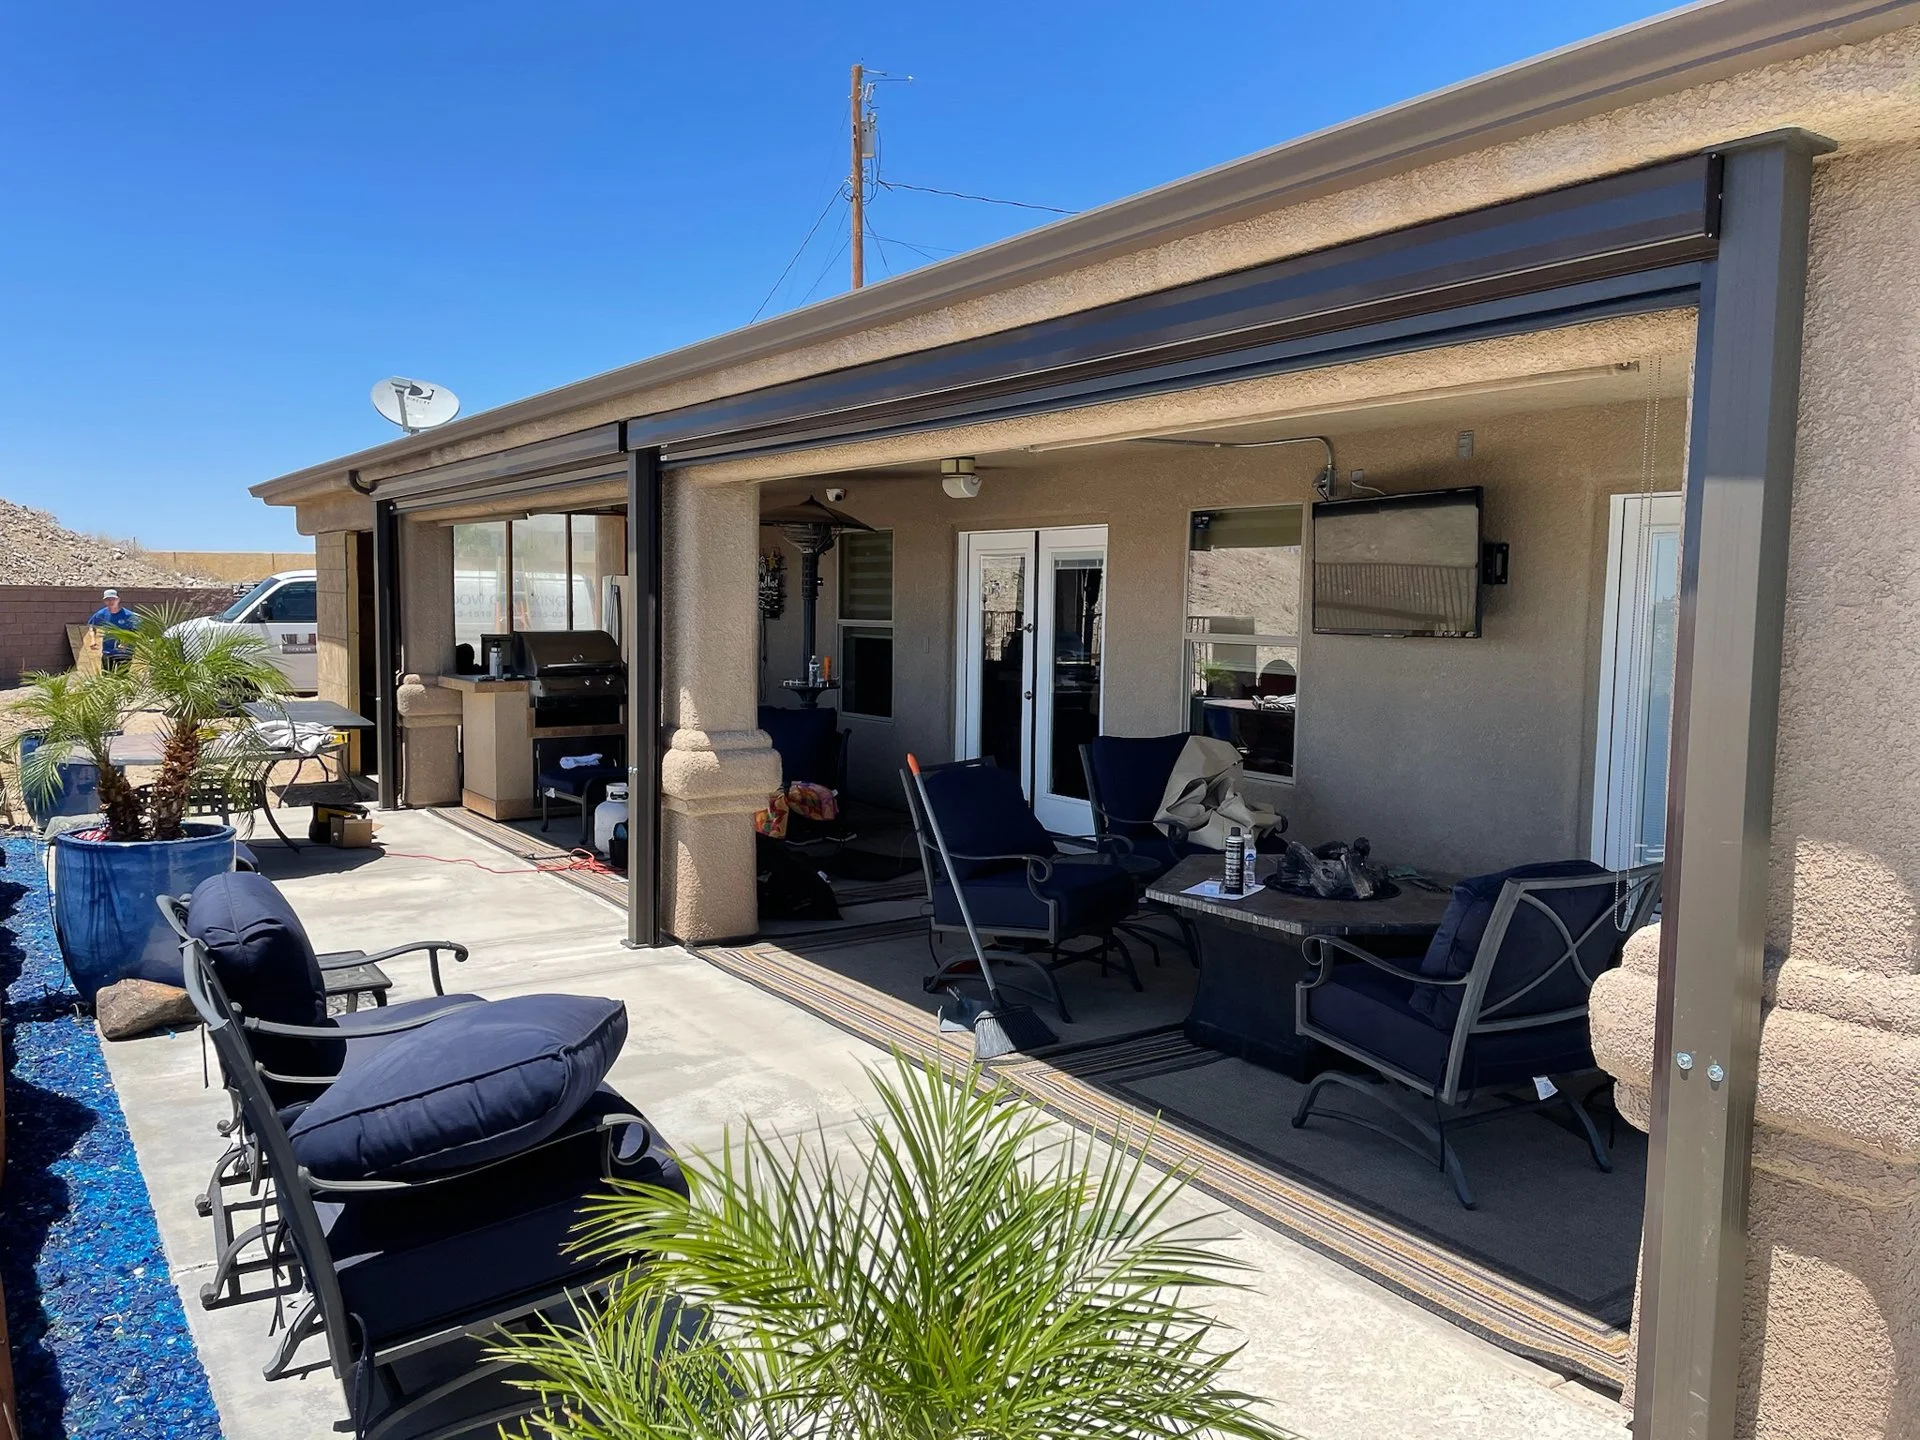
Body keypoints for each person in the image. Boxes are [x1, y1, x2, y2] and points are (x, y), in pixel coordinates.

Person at [89, 589, 138, 672]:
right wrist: (93, 640)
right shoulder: (102, 614)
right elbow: (92, 626)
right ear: (104, 601)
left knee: (122, 677)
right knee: (107, 677)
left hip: (124, 652)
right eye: (108, 600)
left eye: (113, 599)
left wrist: (126, 642)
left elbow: (136, 631)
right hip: (108, 651)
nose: (111, 602)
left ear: (118, 600)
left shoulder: (128, 615)